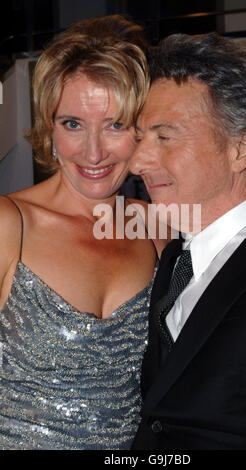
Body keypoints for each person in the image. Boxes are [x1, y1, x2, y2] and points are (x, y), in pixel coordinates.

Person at [0, 15, 160, 450]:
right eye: (72, 124)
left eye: (115, 124)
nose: (93, 152)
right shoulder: (8, 225)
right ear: (49, 129)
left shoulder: (158, 228)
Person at [130, 32, 246, 450]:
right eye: (140, 137)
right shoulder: (175, 258)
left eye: (165, 137)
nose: (137, 162)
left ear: (241, 149)